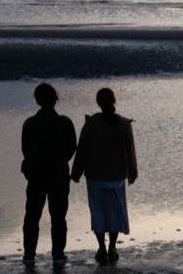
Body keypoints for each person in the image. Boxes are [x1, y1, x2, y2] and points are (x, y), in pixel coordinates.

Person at [71, 88, 138, 266]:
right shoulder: (124, 124)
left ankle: (101, 247)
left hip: (95, 176)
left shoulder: (91, 124)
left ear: (98, 103)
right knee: (115, 211)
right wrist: (132, 172)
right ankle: (113, 247)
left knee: (99, 212)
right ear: (114, 100)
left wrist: (75, 172)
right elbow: (130, 151)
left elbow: (82, 150)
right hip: (117, 177)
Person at [21, 83, 77, 268]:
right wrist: (60, 161)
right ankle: (58, 256)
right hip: (59, 175)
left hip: (36, 176)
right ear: (55, 99)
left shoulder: (29, 123)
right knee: (58, 217)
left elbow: (26, 150)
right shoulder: (66, 123)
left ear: (37, 100)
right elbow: (71, 149)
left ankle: (29, 255)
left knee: (32, 217)